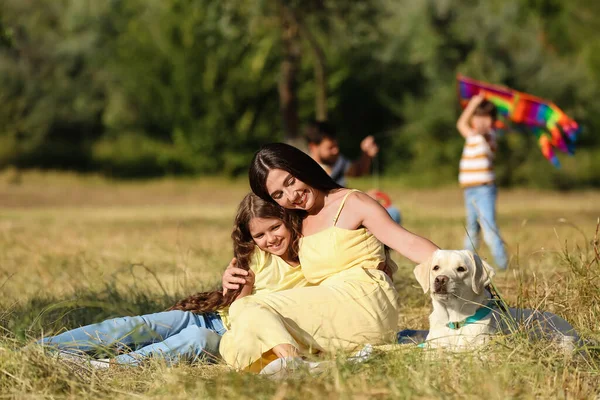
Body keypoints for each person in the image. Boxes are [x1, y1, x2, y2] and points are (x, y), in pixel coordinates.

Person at [219, 143, 440, 373]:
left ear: (303, 167)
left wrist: (463, 271)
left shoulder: (352, 203)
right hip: (333, 311)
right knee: (233, 340)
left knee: (248, 308)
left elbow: (408, 242)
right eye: (278, 195)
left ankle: (296, 365)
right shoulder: (298, 221)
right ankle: (304, 362)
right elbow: (268, 261)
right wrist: (231, 278)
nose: (291, 195)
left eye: (290, 181)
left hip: (364, 300)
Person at [38, 193, 309, 368]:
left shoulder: (309, 267)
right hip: (212, 316)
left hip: (231, 337)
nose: (270, 239)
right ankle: (40, 350)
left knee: (195, 338)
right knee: (136, 326)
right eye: (260, 235)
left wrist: (246, 295)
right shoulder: (258, 254)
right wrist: (237, 286)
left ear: (288, 220)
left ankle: (109, 367)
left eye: (275, 228)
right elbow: (235, 303)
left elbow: (247, 321)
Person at [456, 93, 508, 270]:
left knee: (489, 227)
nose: (481, 121)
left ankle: (502, 265)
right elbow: (461, 123)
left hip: (484, 190)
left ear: (492, 121)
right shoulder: (471, 136)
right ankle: (464, 265)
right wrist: (473, 104)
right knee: (472, 228)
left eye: (486, 117)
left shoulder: (490, 137)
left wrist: (485, 126)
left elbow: (486, 131)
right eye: (478, 117)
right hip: (469, 190)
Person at [305, 120, 379, 187]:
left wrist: (366, 154)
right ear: (313, 147)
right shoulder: (304, 171)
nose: (336, 150)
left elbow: (358, 171)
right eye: (330, 148)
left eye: (336, 145)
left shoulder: (338, 160)